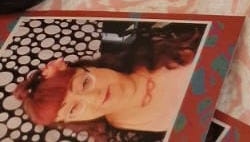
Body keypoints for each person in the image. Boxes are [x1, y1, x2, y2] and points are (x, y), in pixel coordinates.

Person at [12, 21, 203, 140]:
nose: (94, 98)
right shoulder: (123, 138)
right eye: (73, 109)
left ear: (88, 67)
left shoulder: (148, 36)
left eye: (85, 83)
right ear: (75, 121)